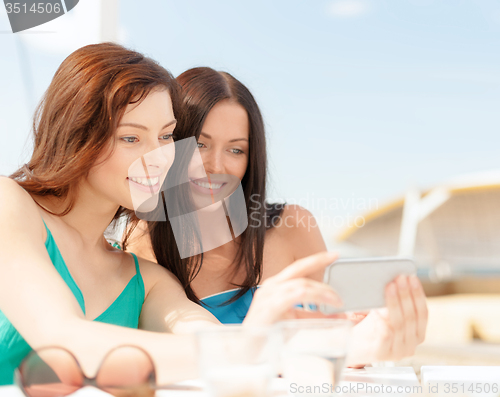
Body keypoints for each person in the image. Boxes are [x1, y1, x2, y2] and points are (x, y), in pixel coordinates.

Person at [0, 44, 342, 385]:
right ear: (77, 134)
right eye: (131, 137)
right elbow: (67, 343)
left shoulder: (144, 279)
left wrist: (361, 343)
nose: (159, 157)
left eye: (166, 136)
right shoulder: (9, 204)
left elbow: (209, 343)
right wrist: (246, 345)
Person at [128, 67, 429, 365]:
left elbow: (334, 343)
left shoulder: (293, 226)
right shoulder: (141, 246)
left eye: (236, 150)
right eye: (201, 145)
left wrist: (363, 335)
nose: (216, 165)